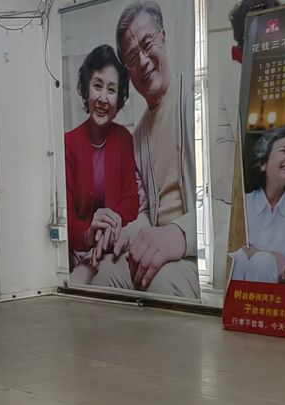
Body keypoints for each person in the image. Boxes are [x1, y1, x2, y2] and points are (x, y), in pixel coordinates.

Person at [90, 1, 201, 298]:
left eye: (148, 44)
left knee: (159, 284)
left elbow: (224, 201)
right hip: (157, 246)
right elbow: (147, 213)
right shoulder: (138, 135)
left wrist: (179, 234)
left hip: (194, 249)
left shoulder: (195, 100)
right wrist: (122, 235)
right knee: (101, 275)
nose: (142, 61)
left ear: (163, 37)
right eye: (131, 57)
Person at [211, 1, 281, 288]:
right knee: (235, 265)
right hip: (235, 192)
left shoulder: (254, 70)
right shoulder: (237, 73)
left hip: (249, 187)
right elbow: (255, 133)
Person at [65, 45, 140, 283]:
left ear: (119, 99)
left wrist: (110, 225)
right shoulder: (68, 143)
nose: (103, 99)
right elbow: (65, 214)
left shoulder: (125, 139)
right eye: (97, 86)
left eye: (111, 90)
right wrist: (89, 233)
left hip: (113, 246)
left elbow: (131, 201)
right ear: (86, 89)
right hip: (77, 252)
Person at [231, 127, 285, 283]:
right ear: (263, 164)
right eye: (284, 151)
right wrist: (275, 257)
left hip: (279, 292)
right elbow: (231, 248)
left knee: (263, 261)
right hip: (240, 290)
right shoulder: (243, 204)